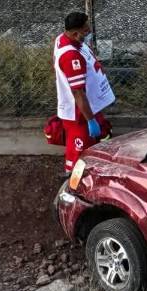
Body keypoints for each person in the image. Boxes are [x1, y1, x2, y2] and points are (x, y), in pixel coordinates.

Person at [53, 11, 115, 175]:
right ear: (75, 33)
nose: (88, 32)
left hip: (88, 110)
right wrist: (91, 121)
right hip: (79, 116)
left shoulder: (64, 39)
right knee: (78, 157)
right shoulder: (71, 56)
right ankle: (72, 189)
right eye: (85, 31)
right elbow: (78, 93)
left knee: (100, 141)